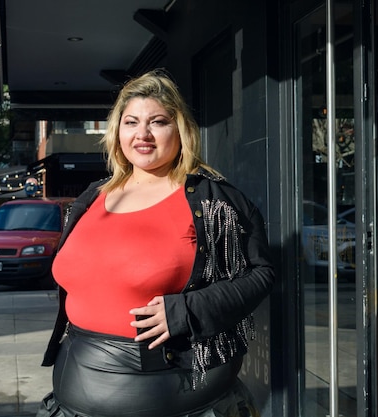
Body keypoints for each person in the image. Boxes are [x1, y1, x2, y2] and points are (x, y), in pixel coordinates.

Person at [36, 69, 275, 417]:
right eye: (131, 122)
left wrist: (189, 311)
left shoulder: (214, 201)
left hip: (174, 393)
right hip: (72, 392)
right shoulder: (94, 196)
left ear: (180, 129)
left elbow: (261, 273)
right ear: (117, 131)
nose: (142, 134)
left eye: (158, 122)